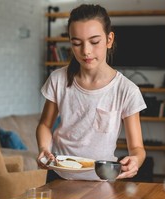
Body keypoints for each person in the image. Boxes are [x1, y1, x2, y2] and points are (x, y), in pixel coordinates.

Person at [36, 4, 146, 181]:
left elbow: (137, 149)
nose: (85, 51)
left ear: (109, 40)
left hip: (101, 179)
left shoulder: (127, 90)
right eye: (76, 43)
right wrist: (43, 147)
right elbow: (44, 125)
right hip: (58, 176)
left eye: (94, 42)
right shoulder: (58, 79)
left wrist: (136, 161)